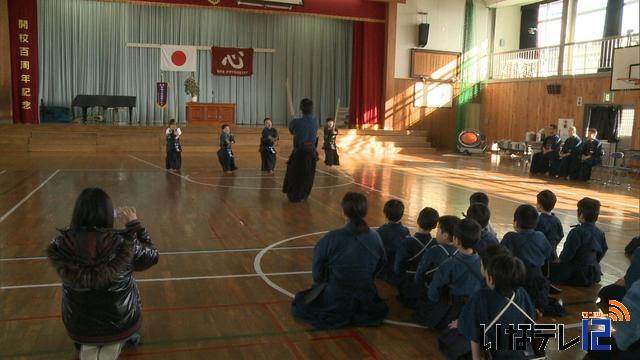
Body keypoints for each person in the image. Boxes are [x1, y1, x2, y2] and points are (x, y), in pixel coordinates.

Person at [46, 188, 159, 359]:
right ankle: (113, 342)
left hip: (78, 326)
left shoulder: (60, 244)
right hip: (122, 323)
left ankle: (93, 344)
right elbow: (152, 256)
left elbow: (77, 239)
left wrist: (79, 228)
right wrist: (135, 225)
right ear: (108, 214)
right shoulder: (124, 244)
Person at [291, 192, 388, 329]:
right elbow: (382, 262)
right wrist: (367, 279)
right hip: (364, 293)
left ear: (344, 212)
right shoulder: (375, 237)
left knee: (302, 301)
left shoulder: (332, 238)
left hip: (337, 295)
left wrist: (320, 284)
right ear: (365, 212)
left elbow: (317, 267)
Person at [442, 252, 538, 360]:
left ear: (491, 279)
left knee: (449, 338)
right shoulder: (521, 292)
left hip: (496, 350)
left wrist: (476, 357)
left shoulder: (481, 297)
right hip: (520, 347)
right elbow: (531, 320)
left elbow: (474, 332)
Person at [414, 218, 484, 329]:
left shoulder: (449, 264)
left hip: (452, 309)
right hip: (473, 309)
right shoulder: (482, 262)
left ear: (456, 240)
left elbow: (434, 292)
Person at [501, 205, 563, 316]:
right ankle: (537, 307)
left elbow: (501, 258)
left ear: (515, 223)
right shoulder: (540, 236)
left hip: (517, 280)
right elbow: (549, 255)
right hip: (537, 281)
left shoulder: (510, 237)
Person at [550, 197, 608, 286]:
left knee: (549, 267)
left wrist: (559, 260)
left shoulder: (576, 232)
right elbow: (603, 250)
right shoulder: (600, 232)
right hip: (593, 272)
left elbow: (567, 254)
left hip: (578, 273)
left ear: (581, 215)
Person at [395, 207, 440, 306]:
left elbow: (398, 267)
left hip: (408, 282)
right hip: (426, 283)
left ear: (418, 221)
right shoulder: (435, 243)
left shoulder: (407, 242)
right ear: (435, 226)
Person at [282, 99, 320, 202]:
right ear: (312, 109)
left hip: (299, 152)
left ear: (301, 109)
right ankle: (304, 195)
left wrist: (295, 121)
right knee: (308, 175)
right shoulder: (316, 121)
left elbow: (291, 130)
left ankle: (295, 196)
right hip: (311, 152)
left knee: (295, 174)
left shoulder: (295, 122)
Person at [376, 199, 410, 284]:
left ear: (385, 214)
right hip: (400, 268)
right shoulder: (406, 231)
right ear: (401, 215)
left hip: (384, 269)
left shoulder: (380, 231)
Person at [534, 190, 564, 260]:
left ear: (540, 206)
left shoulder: (538, 220)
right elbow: (561, 235)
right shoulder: (556, 220)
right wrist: (554, 246)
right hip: (552, 254)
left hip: (540, 255)